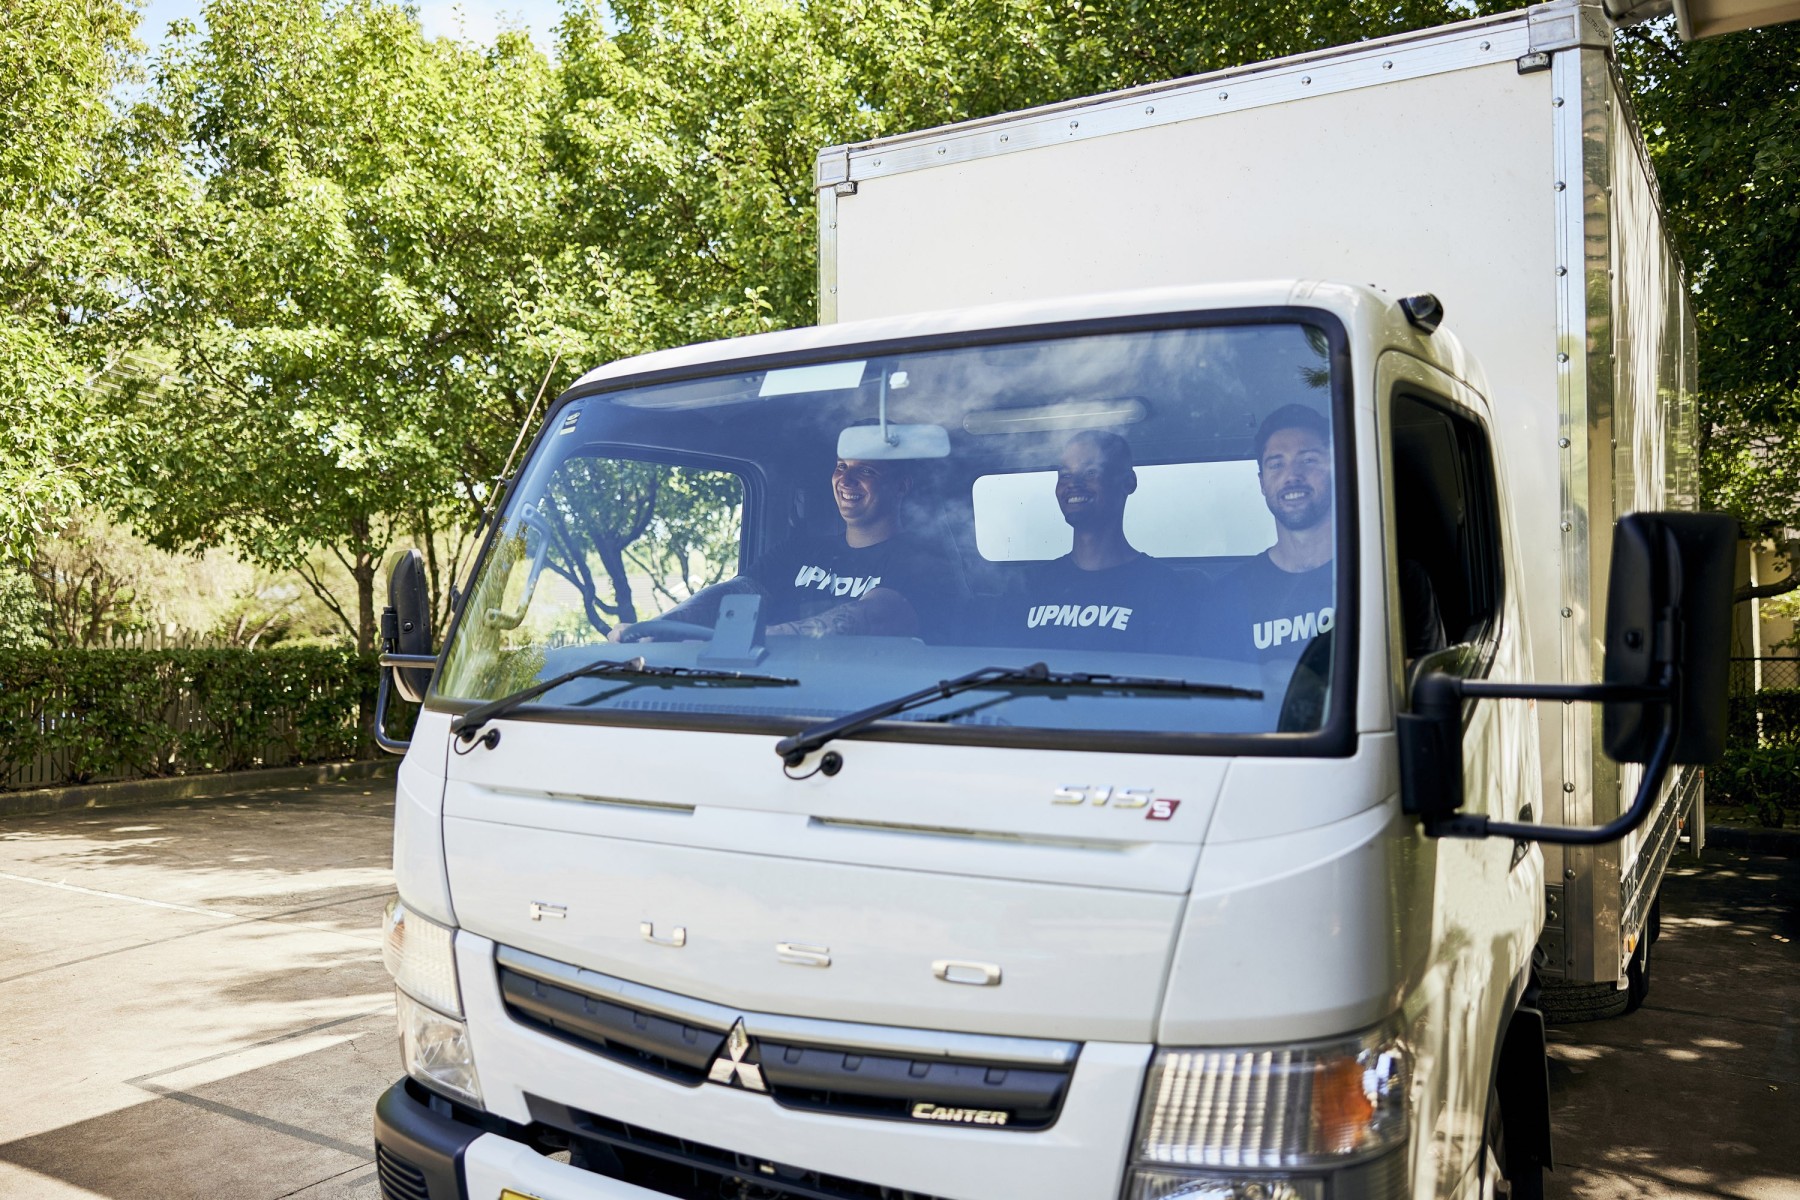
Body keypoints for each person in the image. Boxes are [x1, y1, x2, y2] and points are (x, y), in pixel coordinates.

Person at [611, 455, 949, 640]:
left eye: (866, 470)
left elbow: (877, 616)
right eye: (841, 467)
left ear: (901, 486)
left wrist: (753, 639)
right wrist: (660, 627)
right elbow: (739, 591)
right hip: (775, 701)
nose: (845, 481)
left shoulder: (924, 560)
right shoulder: (799, 550)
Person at [1227, 404, 1443, 674]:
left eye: (1308, 460)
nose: (1292, 475)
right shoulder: (1230, 595)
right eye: (1276, 464)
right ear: (1262, 482)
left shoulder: (1396, 580)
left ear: (1334, 469)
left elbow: (1423, 687)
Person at [1004, 430, 1185, 652]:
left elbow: (1166, 679)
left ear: (1128, 483)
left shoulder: (1163, 587)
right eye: (1065, 475)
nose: (1073, 484)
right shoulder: (1027, 586)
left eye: (1090, 472)